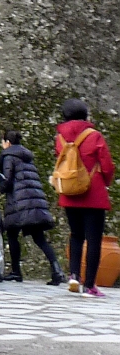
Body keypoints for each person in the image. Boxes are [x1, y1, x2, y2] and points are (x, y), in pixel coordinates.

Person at [54, 98, 115, 296]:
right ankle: (89, 285)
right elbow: (106, 165)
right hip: (93, 193)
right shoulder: (94, 135)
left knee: (76, 235)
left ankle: (73, 275)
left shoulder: (60, 138)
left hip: (70, 192)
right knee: (94, 239)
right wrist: (104, 181)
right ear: (85, 114)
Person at [0, 129, 63, 285]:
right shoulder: (26, 157)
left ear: (7, 142)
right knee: (39, 238)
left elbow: (7, 179)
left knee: (12, 234)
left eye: (2, 141)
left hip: (19, 202)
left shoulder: (8, 156)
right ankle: (57, 270)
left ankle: (15, 272)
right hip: (33, 201)